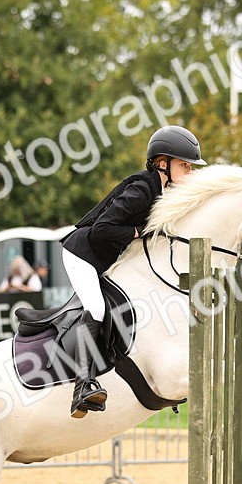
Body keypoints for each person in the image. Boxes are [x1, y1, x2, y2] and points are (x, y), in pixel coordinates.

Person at [61, 125, 206, 418]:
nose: (189, 172)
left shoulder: (164, 191)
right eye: (185, 165)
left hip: (106, 256)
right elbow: (103, 228)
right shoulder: (142, 189)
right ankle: (83, 385)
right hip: (82, 255)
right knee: (97, 309)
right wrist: (139, 231)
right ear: (162, 163)